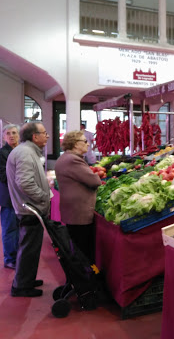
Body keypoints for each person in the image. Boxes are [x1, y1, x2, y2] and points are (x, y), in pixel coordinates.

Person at [6, 121, 50, 297]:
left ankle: (26, 279)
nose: (47, 136)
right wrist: (43, 196)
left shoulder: (28, 151)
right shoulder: (25, 153)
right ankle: (21, 286)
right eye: (44, 132)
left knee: (30, 248)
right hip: (29, 208)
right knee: (28, 248)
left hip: (29, 207)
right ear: (34, 136)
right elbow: (25, 183)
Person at [55, 131, 102, 262]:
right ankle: (85, 279)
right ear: (76, 144)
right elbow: (95, 181)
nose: (88, 144)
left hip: (73, 212)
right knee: (83, 250)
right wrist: (96, 176)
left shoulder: (66, 158)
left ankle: (80, 278)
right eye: (85, 141)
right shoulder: (73, 160)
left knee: (77, 247)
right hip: (79, 214)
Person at [0, 124, 20, 270]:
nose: (11, 135)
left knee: (20, 229)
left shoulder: (22, 151)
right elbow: (3, 175)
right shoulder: (2, 153)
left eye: (14, 132)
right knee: (9, 229)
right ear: (3, 137)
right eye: (8, 133)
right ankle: (9, 258)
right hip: (8, 198)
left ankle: (18, 257)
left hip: (22, 197)